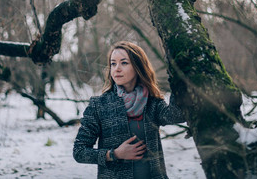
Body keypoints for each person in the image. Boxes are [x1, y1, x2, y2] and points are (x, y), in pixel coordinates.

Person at [73, 41, 185, 179]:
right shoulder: (99, 105)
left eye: (124, 63)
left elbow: (177, 115)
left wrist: (176, 76)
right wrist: (114, 154)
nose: (117, 69)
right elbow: (79, 151)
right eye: (113, 64)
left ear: (138, 67)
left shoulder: (152, 102)